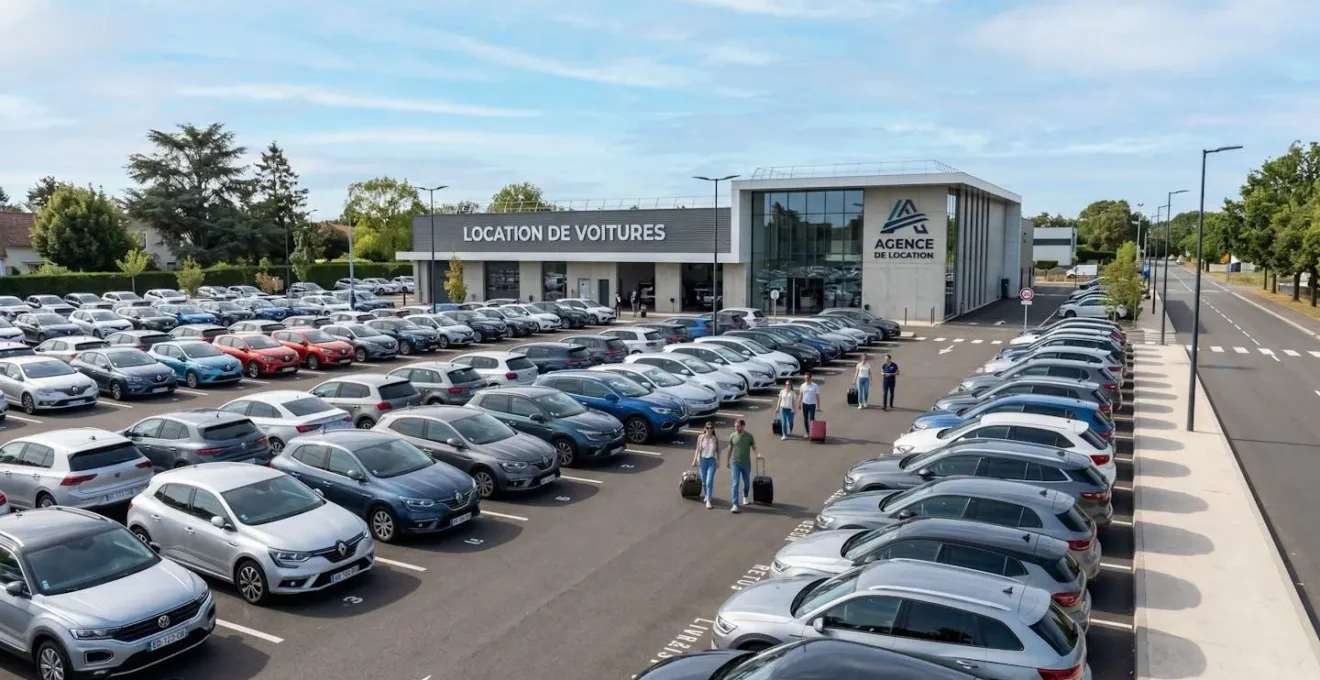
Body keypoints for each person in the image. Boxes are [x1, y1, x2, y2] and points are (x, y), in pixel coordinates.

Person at [725, 419, 762, 513]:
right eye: (735, 426)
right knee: (735, 483)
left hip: (746, 463)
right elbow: (729, 449)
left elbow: (754, 446)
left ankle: (745, 496)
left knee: (746, 483)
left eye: (738, 426)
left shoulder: (749, 436)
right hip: (735, 463)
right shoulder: (732, 436)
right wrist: (727, 461)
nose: (736, 428)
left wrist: (758, 454)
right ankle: (735, 504)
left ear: (743, 426)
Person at [690, 422, 720, 509]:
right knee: (703, 481)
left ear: (713, 429)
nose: (709, 429)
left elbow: (718, 451)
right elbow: (697, 449)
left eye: (711, 428)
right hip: (702, 460)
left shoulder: (715, 439)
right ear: (705, 428)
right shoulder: (701, 437)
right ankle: (707, 494)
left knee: (709, 481)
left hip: (711, 461)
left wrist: (718, 461)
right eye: (708, 428)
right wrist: (694, 460)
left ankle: (708, 501)